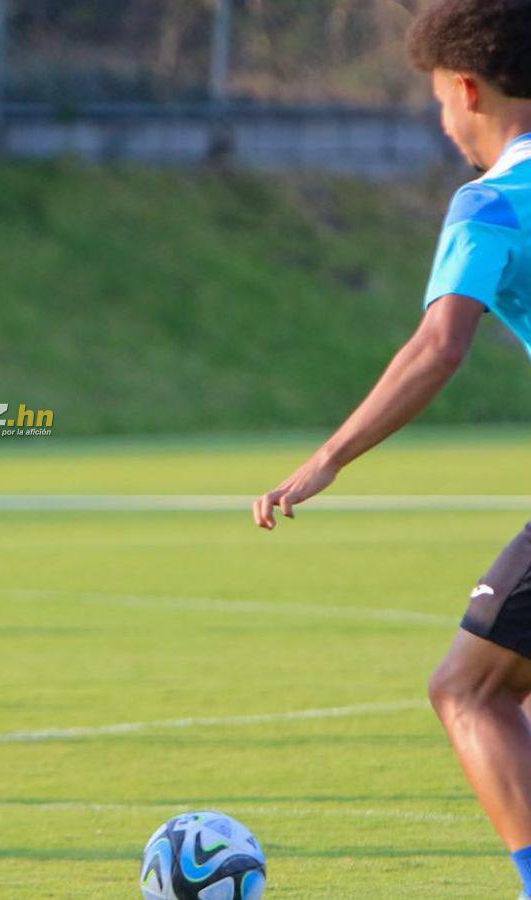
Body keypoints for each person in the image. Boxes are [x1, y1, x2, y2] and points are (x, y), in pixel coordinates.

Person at [252, 1, 531, 896]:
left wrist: (328, 457)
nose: (443, 123)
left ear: (465, 87)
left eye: (438, 102)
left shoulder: (493, 200)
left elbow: (439, 344)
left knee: (469, 691)